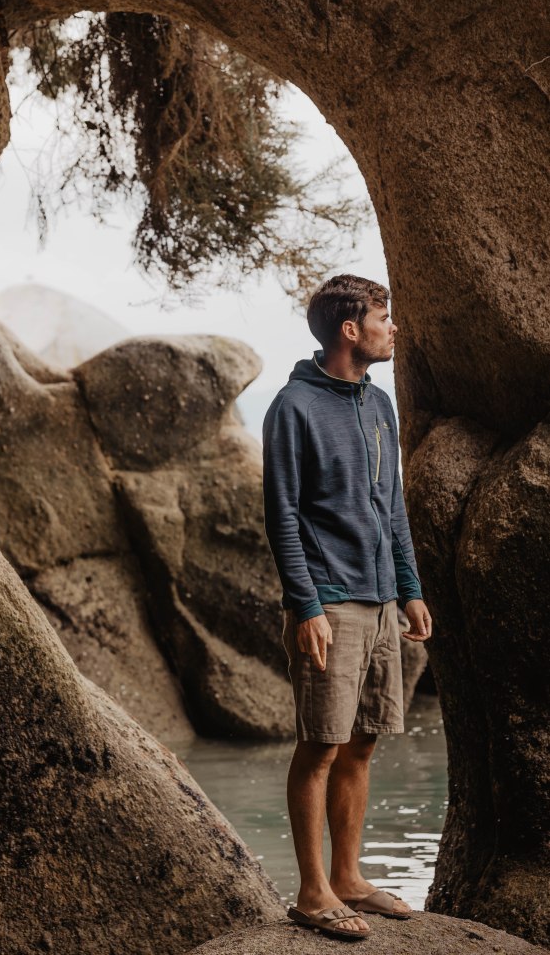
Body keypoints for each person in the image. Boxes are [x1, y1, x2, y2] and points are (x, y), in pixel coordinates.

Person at [262, 274, 432, 942]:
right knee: (320, 745)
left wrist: (410, 588)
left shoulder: (379, 403)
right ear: (349, 330)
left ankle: (349, 879)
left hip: (381, 599)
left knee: (361, 743)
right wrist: (304, 605)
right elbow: (281, 514)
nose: (394, 328)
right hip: (328, 604)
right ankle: (310, 892)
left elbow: (391, 506)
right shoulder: (292, 406)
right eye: (384, 317)